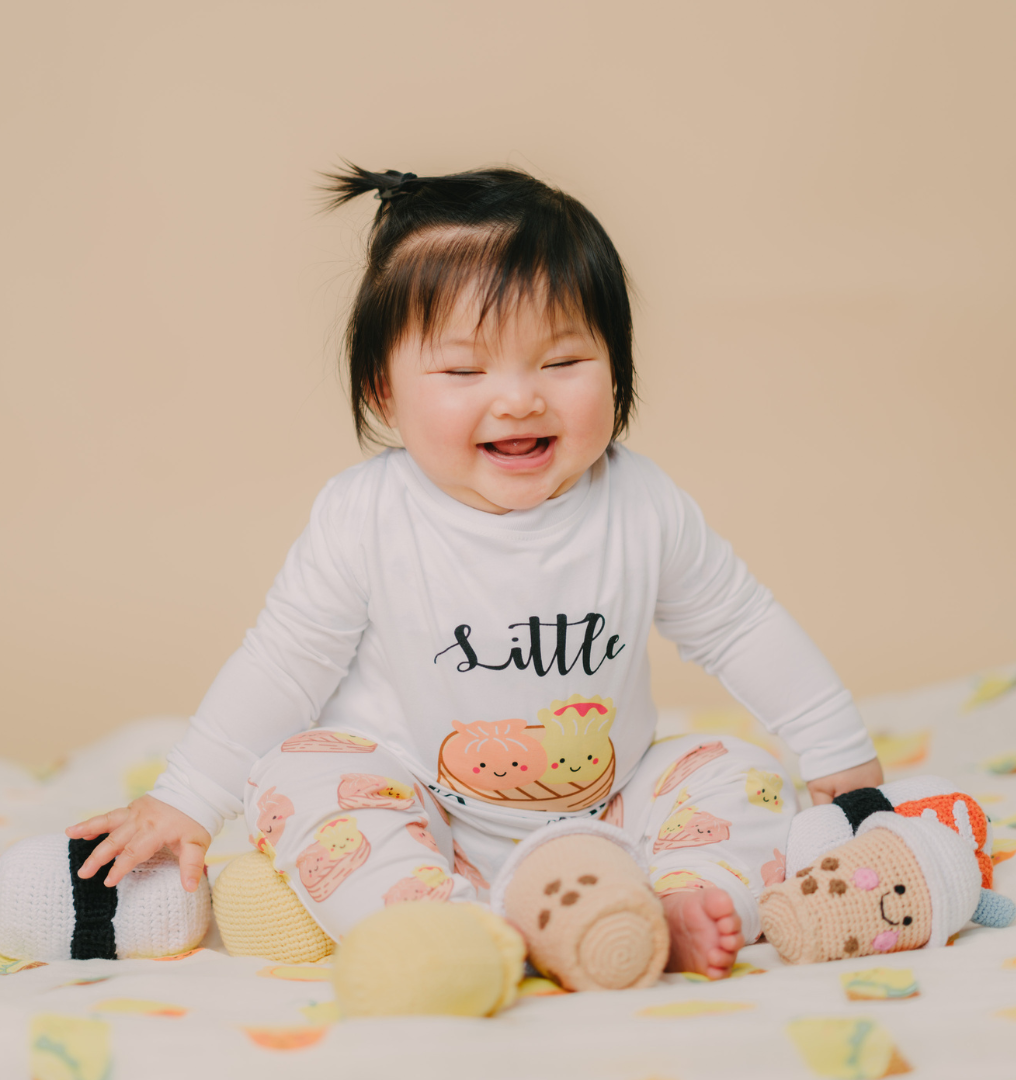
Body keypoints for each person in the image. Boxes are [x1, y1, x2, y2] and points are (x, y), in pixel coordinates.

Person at [67, 165, 882, 982]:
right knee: (298, 776)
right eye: (464, 373)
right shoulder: (367, 515)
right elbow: (284, 661)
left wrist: (840, 759)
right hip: (420, 810)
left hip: (607, 808)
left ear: (617, 365)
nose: (520, 398)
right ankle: (455, 930)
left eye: (563, 361)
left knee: (741, 776)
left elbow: (740, 627)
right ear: (385, 390)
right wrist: (186, 798)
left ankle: (673, 901)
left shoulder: (642, 504)